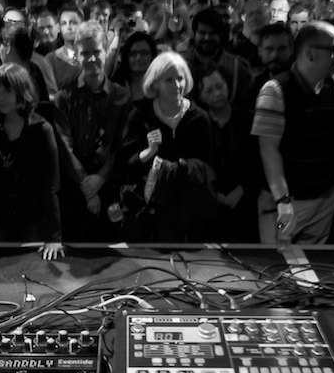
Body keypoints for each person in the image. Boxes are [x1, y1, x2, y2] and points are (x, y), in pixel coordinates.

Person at [251, 21, 334, 245]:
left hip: (323, 201)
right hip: (288, 204)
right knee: (278, 269)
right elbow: (268, 151)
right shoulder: (274, 90)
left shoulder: (329, 86)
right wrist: (283, 201)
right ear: (309, 53)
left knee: (310, 270)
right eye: (333, 50)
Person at [117, 51, 216, 242]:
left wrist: (179, 168)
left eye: (180, 78)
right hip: (148, 216)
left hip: (188, 212)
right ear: (155, 84)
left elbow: (208, 166)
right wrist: (149, 152)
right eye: (169, 80)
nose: (176, 85)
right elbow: (124, 165)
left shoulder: (199, 118)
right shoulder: (140, 115)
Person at [53, 20, 133, 241]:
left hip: (109, 189)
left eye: (96, 51)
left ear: (106, 52)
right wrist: (87, 187)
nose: (91, 58)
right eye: (84, 53)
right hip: (75, 189)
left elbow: (119, 145)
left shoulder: (121, 96)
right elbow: (64, 146)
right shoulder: (64, 98)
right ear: (76, 55)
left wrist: (100, 179)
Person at [0, 63, 63, 260]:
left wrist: (54, 236)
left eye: (7, 91)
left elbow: (51, 186)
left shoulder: (42, 130)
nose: (0, 97)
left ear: (21, 91)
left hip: (32, 221)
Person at [195, 67, 260, 242]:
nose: (217, 93)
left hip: (244, 201)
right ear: (200, 96)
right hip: (208, 204)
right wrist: (213, 194)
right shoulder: (198, 125)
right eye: (209, 90)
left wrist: (242, 189)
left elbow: (257, 161)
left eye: (220, 86)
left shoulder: (247, 120)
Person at [184, 9, 254, 111]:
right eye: (202, 33)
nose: (207, 38)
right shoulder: (181, 65)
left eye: (212, 33)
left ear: (220, 35)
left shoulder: (237, 67)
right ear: (194, 34)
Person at [111, 30, 158, 103]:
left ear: (153, 56)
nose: (138, 58)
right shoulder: (116, 85)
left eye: (144, 53)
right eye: (133, 54)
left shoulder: (161, 84)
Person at [45, 4, 83, 90]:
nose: (68, 27)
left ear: (82, 25)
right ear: (60, 28)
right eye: (64, 23)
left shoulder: (92, 55)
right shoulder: (51, 59)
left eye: (73, 22)